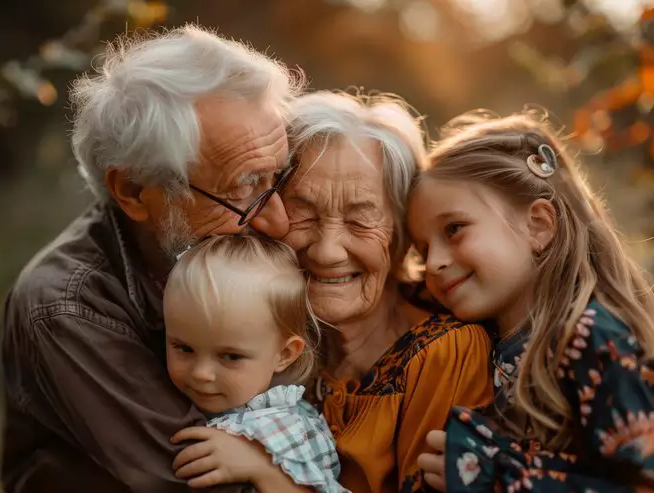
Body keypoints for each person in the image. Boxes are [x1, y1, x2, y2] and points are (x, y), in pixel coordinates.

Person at [0, 25, 303, 493]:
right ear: (134, 191)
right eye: (243, 185)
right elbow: (207, 484)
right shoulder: (67, 306)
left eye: (275, 177)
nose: (279, 222)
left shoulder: (243, 249)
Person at [409, 112, 654, 492]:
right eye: (422, 250)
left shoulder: (590, 338)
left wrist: (496, 478)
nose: (434, 263)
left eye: (454, 229)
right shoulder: (475, 340)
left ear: (538, 225)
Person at [280, 91, 494, 493]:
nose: (326, 251)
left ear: (404, 235)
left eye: (360, 221)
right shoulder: (261, 339)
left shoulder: (444, 354)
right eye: (303, 214)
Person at [162, 235, 346, 492]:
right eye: (184, 348)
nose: (201, 373)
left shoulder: (287, 429)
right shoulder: (166, 398)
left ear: (284, 354)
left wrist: (260, 468)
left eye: (231, 356)